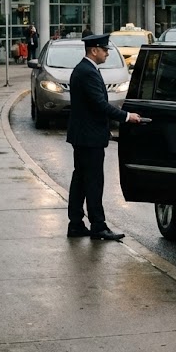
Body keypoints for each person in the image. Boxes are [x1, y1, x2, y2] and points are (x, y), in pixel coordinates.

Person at [66, 33, 144, 240]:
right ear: (94, 50)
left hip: (83, 136)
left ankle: (75, 224)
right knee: (92, 182)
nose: (107, 53)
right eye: (105, 49)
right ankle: (98, 226)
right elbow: (99, 105)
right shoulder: (87, 72)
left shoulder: (84, 70)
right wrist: (127, 116)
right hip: (89, 137)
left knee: (81, 180)